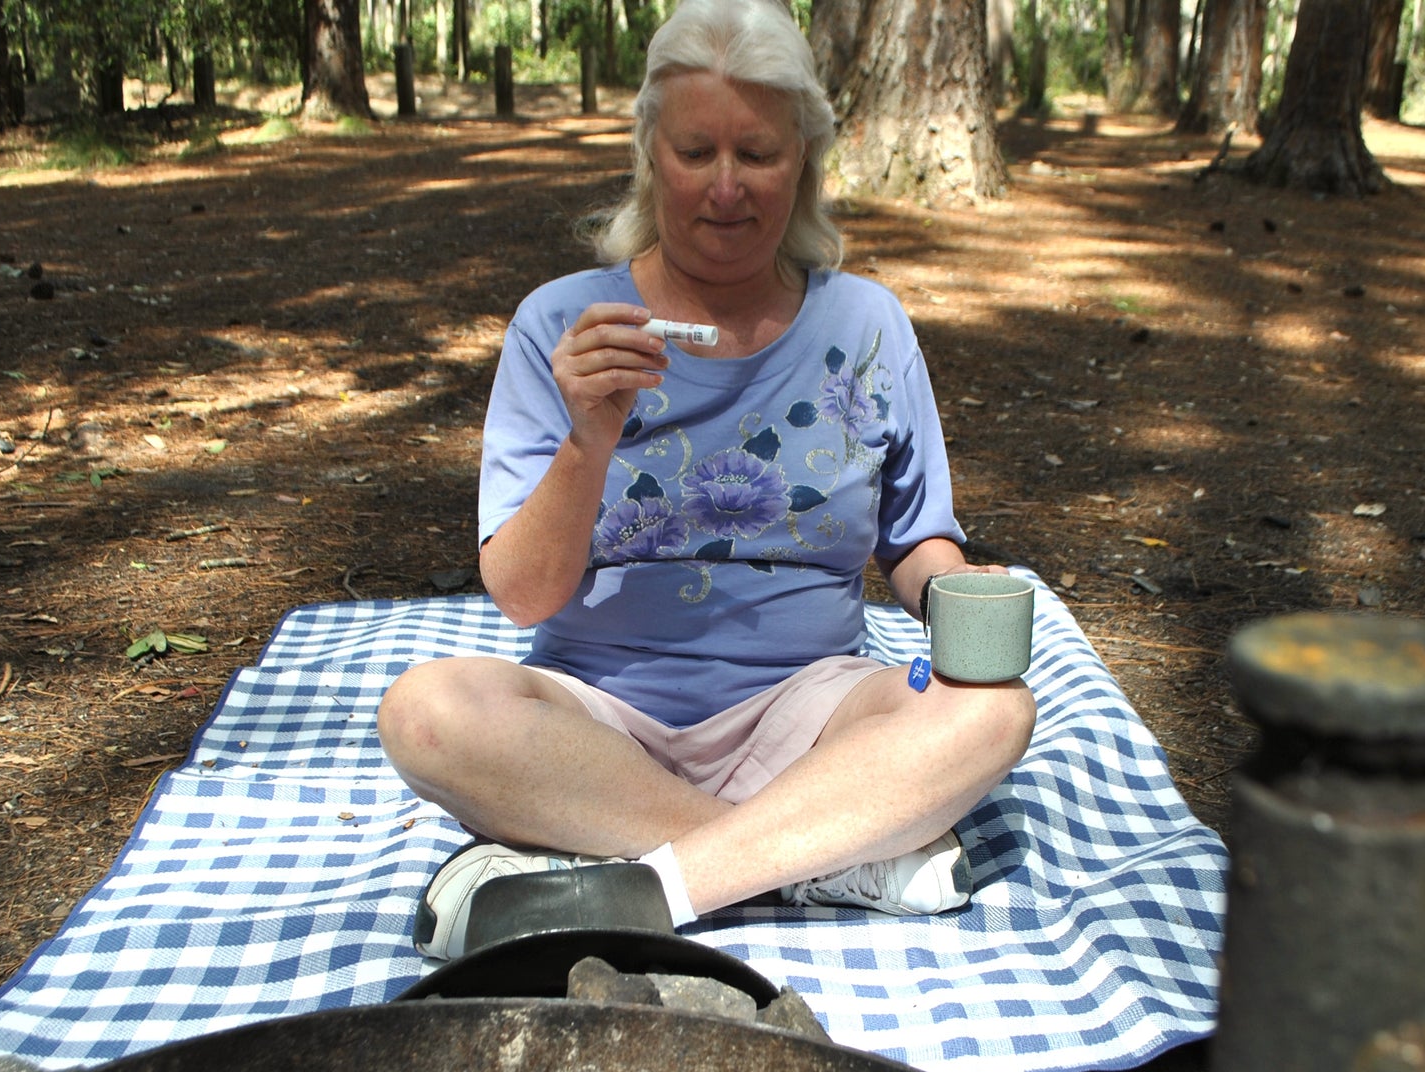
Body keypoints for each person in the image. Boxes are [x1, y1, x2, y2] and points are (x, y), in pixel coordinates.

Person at [377, 0, 1036, 960]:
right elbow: (522, 597)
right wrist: (590, 434)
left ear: (804, 158)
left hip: (813, 710)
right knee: (426, 714)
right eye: (696, 153)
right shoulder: (561, 326)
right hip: (597, 723)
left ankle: (651, 885)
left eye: (758, 154)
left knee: (996, 708)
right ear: (651, 154)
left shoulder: (868, 327)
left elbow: (910, 540)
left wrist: (953, 597)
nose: (726, 188)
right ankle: (820, 851)